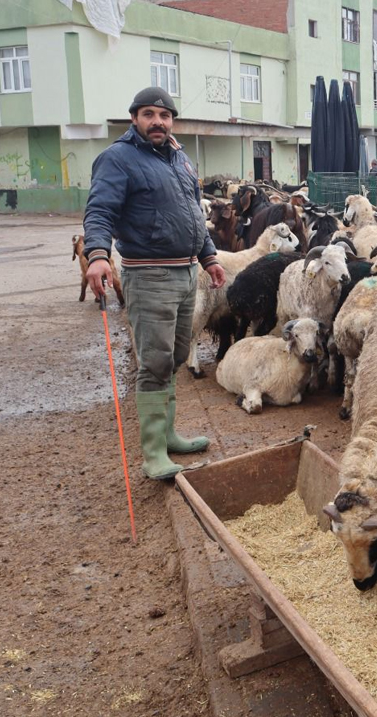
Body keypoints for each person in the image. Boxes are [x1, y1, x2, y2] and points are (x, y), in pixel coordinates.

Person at [82, 86, 227, 480]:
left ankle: (169, 435)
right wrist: (98, 254)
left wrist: (209, 257)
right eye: (148, 114)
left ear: (172, 120)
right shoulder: (118, 159)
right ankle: (153, 453)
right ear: (134, 118)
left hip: (186, 274)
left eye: (164, 116)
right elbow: (100, 210)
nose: (157, 122)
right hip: (150, 275)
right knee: (155, 361)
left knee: (176, 356)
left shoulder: (179, 157)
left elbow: (192, 214)